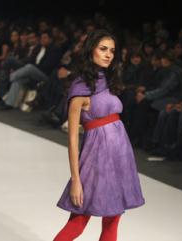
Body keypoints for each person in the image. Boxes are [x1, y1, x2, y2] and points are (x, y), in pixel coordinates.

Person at [53, 29, 145, 241]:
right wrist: (76, 179)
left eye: (112, 51)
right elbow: (73, 139)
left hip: (120, 155)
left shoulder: (109, 80)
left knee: (113, 220)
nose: (108, 55)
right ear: (91, 50)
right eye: (103, 49)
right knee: (77, 222)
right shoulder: (80, 89)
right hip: (96, 158)